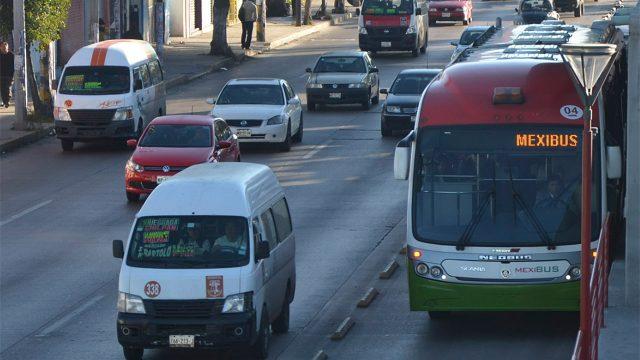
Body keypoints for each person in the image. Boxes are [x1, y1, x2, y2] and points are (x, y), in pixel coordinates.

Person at [0, 41, 14, 108]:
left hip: (9, 76)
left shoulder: (11, 55)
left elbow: (14, 65)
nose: (4, 48)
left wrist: (13, 74)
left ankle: (7, 101)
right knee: (2, 90)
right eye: (2, 47)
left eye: (5, 47)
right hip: (1, 75)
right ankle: (5, 102)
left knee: (8, 88)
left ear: (7, 47)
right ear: (0, 47)